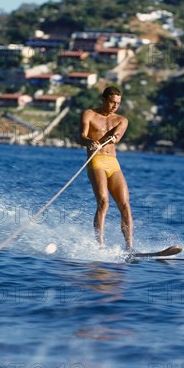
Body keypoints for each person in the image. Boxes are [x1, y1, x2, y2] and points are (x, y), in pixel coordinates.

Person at [79, 86, 133, 250]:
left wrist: (115, 136)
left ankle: (129, 247)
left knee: (124, 204)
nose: (115, 106)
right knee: (103, 202)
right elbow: (80, 136)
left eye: (117, 103)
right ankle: (100, 245)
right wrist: (89, 141)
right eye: (111, 102)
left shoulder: (121, 120)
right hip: (96, 160)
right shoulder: (89, 114)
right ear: (103, 99)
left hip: (113, 162)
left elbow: (119, 133)